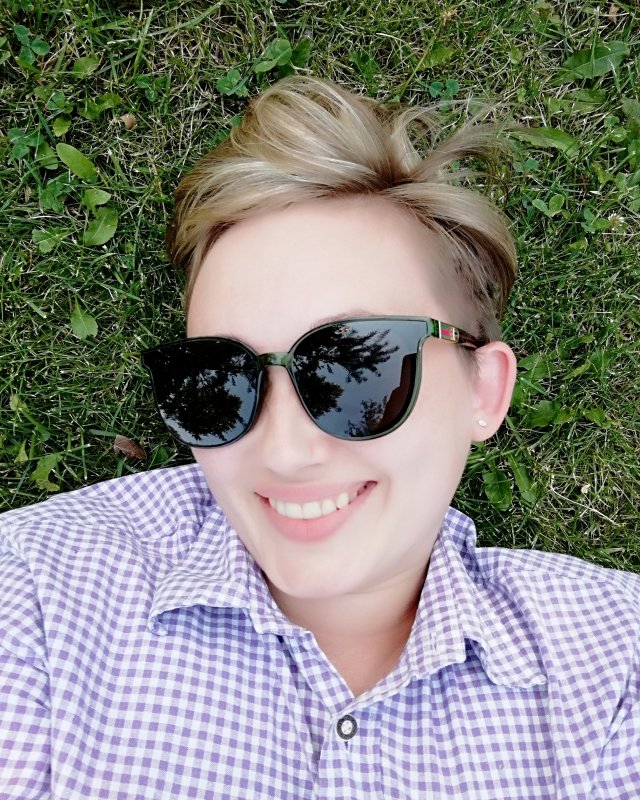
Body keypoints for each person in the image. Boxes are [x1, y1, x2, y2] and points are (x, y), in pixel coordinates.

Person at [1, 76, 638, 800]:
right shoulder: (40, 598)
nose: (283, 451)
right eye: (221, 380)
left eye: (356, 372)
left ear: (483, 393)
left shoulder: (615, 666)